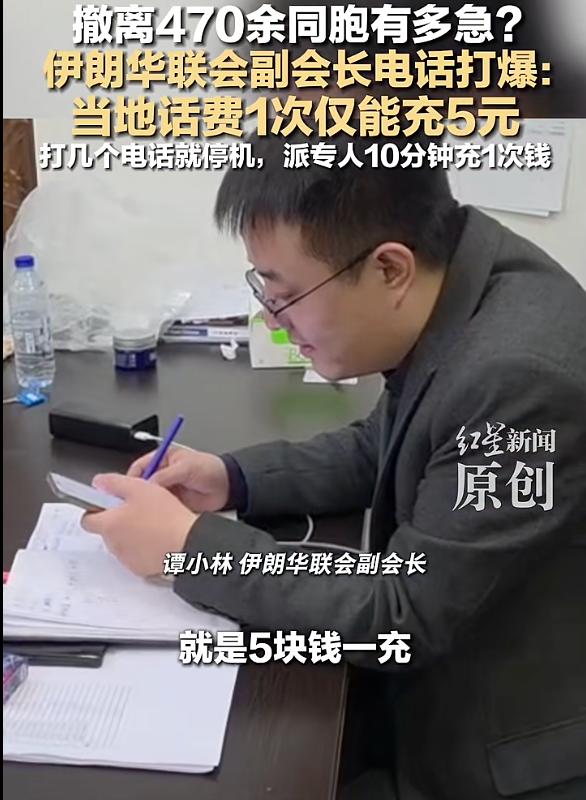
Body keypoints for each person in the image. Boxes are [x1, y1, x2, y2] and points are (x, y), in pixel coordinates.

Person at [82, 132, 586, 800]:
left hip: (496, 751)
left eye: (285, 295)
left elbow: (406, 614)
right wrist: (232, 477)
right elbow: (382, 442)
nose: (275, 321)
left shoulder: (517, 377)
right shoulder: (457, 278)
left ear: (389, 270)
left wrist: (190, 549)